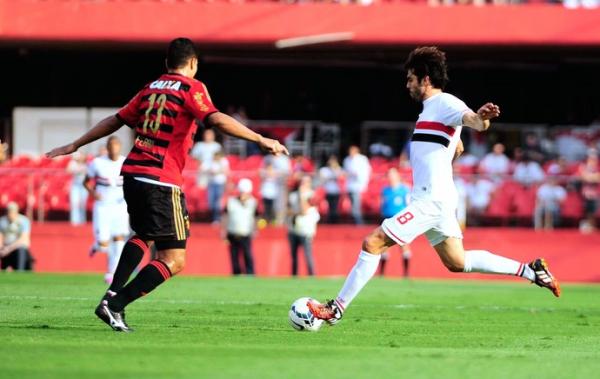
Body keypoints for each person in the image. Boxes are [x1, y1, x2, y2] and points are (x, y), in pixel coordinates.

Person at [46, 37, 288, 332]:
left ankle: (111, 294)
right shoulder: (192, 88)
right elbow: (216, 119)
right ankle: (115, 304)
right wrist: (260, 138)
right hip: (160, 179)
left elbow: (116, 119)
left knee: (144, 234)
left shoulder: (150, 88)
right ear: (193, 63)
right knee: (174, 259)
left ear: (166, 64)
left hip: (133, 173)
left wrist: (75, 144)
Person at [308, 46, 560, 325]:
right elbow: (457, 145)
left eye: (410, 79)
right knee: (457, 261)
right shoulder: (430, 112)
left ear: (425, 79)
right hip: (437, 199)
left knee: (373, 242)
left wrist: (481, 117)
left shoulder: (445, 103)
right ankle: (531, 271)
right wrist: (455, 145)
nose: (407, 85)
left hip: (431, 201)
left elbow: (473, 121)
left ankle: (336, 308)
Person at [85, 136, 129, 284]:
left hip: (120, 206)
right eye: (111, 145)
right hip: (103, 206)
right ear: (107, 147)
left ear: (120, 147)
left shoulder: (125, 162)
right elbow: (86, 181)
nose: (113, 148)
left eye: (116, 145)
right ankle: (96, 246)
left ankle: (111, 273)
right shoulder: (97, 163)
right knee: (104, 244)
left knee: (119, 239)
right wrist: (93, 193)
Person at [379, 167, 412, 277]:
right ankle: (382, 274)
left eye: (393, 174)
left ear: (398, 176)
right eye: (389, 174)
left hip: (400, 221)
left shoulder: (405, 190)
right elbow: (382, 205)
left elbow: (409, 206)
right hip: (387, 220)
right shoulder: (385, 190)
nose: (390, 177)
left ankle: (406, 274)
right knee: (384, 247)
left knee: (403, 245)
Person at [222, 178, 257, 275]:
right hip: (232, 232)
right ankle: (236, 274)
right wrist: (223, 231)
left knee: (248, 255)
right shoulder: (231, 201)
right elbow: (225, 216)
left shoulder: (253, 202)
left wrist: (255, 230)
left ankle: (250, 274)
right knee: (234, 256)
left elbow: (255, 217)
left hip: (246, 233)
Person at [287, 175, 320, 276]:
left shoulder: (312, 195)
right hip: (294, 228)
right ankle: (294, 276)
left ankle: (312, 275)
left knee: (308, 255)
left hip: (306, 229)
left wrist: (301, 196)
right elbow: (288, 211)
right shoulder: (293, 196)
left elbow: (304, 210)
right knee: (294, 257)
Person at [0, 202, 34, 271]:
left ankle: (19, 271)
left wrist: (9, 248)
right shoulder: (2, 221)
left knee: (21, 250)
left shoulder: (24, 221)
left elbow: (23, 239)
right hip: (5, 248)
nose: (11, 214)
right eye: (9, 212)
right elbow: (1, 236)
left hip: (17, 248)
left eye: (13, 212)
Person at [343, 145, 371, 224]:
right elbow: (347, 172)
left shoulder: (362, 159)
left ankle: (359, 221)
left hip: (358, 186)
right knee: (353, 205)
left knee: (356, 205)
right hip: (350, 185)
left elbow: (365, 172)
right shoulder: (347, 160)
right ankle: (355, 221)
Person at [577, 149, 600, 233]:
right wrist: (591, 177)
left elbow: (598, 178)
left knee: (594, 210)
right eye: (590, 157)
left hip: (596, 192)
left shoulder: (598, 167)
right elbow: (583, 176)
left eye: (594, 158)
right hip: (586, 193)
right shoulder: (583, 166)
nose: (592, 160)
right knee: (587, 210)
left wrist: (590, 177)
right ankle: (589, 225)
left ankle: (593, 225)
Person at [205, 150, 229, 223]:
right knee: (211, 201)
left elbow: (225, 171)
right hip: (211, 183)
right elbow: (204, 169)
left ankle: (217, 218)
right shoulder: (210, 161)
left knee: (217, 202)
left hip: (220, 183)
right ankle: (213, 217)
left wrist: (217, 171)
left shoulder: (224, 161)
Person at [318, 155, 343, 223]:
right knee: (328, 208)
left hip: (336, 191)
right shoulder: (324, 170)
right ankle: (329, 221)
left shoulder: (338, 169)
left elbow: (341, 178)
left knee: (334, 207)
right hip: (327, 191)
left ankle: (334, 221)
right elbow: (322, 180)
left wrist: (334, 169)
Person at [67, 151, 89, 225]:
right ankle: (75, 221)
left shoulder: (86, 165)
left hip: (83, 186)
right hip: (75, 186)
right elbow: (68, 170)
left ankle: (82, 220)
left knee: (82, 204)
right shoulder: (73, 163)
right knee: (74, 203)